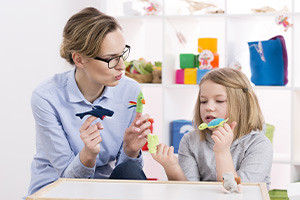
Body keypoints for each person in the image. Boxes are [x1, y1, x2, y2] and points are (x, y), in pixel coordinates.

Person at [26, 7, 151, 196]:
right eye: (111, 59)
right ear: (79, 60)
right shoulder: (46, 97)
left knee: (131, 170)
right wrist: (87, 155)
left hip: (103, 189)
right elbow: (66, 179)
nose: (122, 66)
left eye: (122, 54)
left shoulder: (130, 90)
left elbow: (127, 174)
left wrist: (131, 150)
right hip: (56, 188)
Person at [151, 68, 273, 189]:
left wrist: (222, 151)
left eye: (219, 101)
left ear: (241, 105)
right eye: (203, 101)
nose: (209, 107)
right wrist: (172, 167)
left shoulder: (259, 144)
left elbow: (237, 193)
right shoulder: (190, 140)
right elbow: (188, 192)